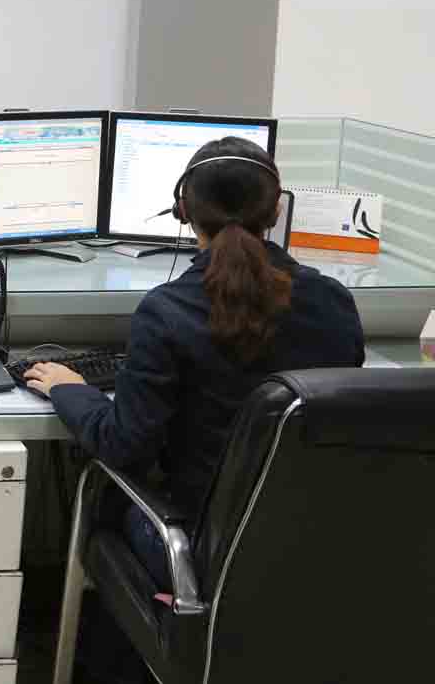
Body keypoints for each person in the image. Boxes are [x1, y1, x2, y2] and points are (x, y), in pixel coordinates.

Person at [22, 137, 364, 588]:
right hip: (311, 546)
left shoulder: (167, 311)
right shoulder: (333, 302)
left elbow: (123, 445)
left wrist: (69, 388)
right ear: (277, 210)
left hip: (197, 553)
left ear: (183, 209)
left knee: (102, 499)